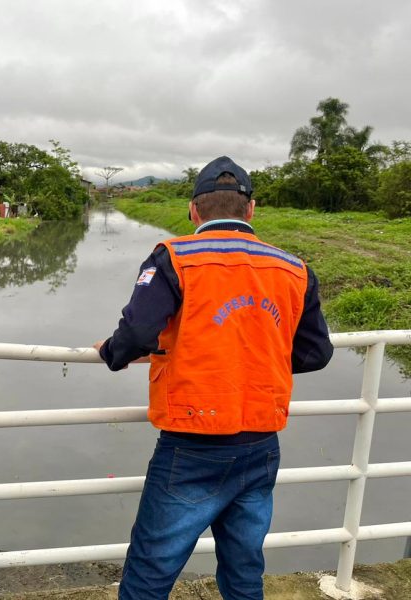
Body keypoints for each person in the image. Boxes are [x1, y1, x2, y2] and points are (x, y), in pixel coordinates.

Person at [93, 156, 333, 600]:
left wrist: (111, 353)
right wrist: (253, 359)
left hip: (192, 443)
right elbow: (316, 352)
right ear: (251, 210)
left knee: (151, 568)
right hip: (261, 443)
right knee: (244, 569)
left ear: (193, 211)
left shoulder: (174, 257)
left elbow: (136, 333)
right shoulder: (293, 267)